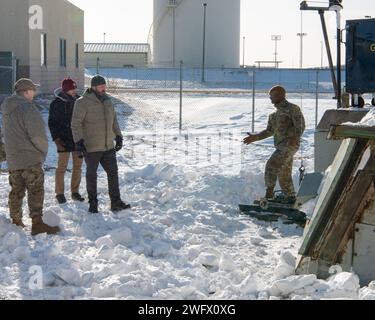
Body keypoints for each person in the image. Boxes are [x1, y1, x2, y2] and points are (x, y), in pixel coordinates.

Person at [0, 79, 60, 235]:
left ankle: (16, 221)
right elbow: (38, 135)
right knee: (35, 191)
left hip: (14, 159)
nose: (34, 93)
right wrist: (43, 152)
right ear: (26, 91)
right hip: (30, 159)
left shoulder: (7, 110)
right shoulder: (28, 108)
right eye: (33, 90)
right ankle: (37, 223)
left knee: (16, 191)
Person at [71, 75, 131, 214]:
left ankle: (115, 202)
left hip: (107, 146)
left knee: (113, 173)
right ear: (93, 87)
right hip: (91, 146)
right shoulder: (82, 102)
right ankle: (93, 203)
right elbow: (75, 124)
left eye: (104, 86)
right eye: (101, 86)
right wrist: (78, 142)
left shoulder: (107, 100)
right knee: (91, 175)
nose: (104, 88)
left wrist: (118, 136)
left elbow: (114, 120)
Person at [243, 86, 306, 204]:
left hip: (290, 145)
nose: (271, 98)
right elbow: (269, 131)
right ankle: (290, 198)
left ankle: (269, 194)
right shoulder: (273, 115)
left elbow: (300, 126)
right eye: (270, 96)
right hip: (280, 145)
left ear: (281, 95)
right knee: (283, 172)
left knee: (272, 164)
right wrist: (255, 137)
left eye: (273, 95)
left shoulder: (292, 109)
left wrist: (295, 137)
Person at [48, 78, 84, 204]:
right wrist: (56, 139)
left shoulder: (80, 102)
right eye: (72, 88)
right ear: (65, 89)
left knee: (78, 167)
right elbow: (52, 123)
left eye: (75, 88)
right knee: (61, 167)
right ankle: (59, 193)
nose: (75, 90)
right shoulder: (56, 103)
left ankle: (75, 192)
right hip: (63, 140)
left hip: (78, 140)